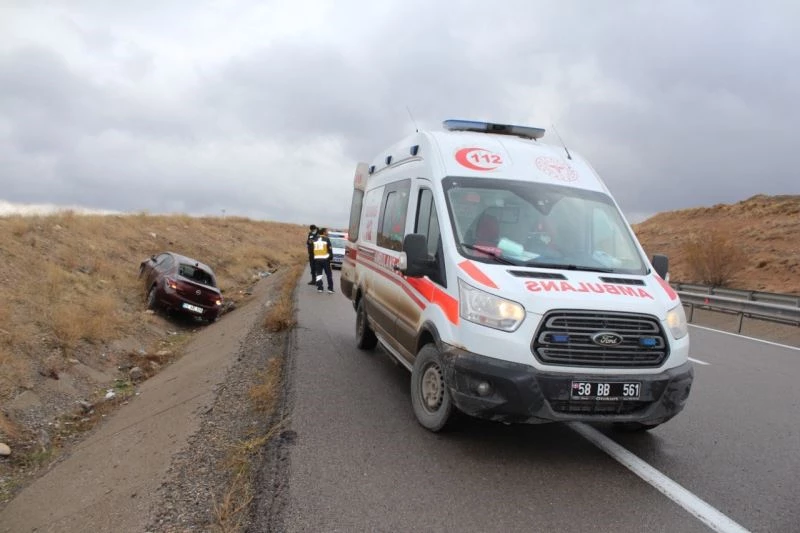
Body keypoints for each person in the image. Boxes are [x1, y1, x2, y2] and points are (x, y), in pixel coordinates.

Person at [312, 227, 335, 294]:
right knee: (329, 274)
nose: (328, 232)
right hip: (325, 259)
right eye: (327, 231)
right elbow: (330, 249)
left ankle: (320, 288)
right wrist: (331, 258)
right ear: (324, 232)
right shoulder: (326, 239)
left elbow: (313, 248)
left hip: (317, 259)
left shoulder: (315, 239)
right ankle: (330, 289)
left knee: (319, 274)